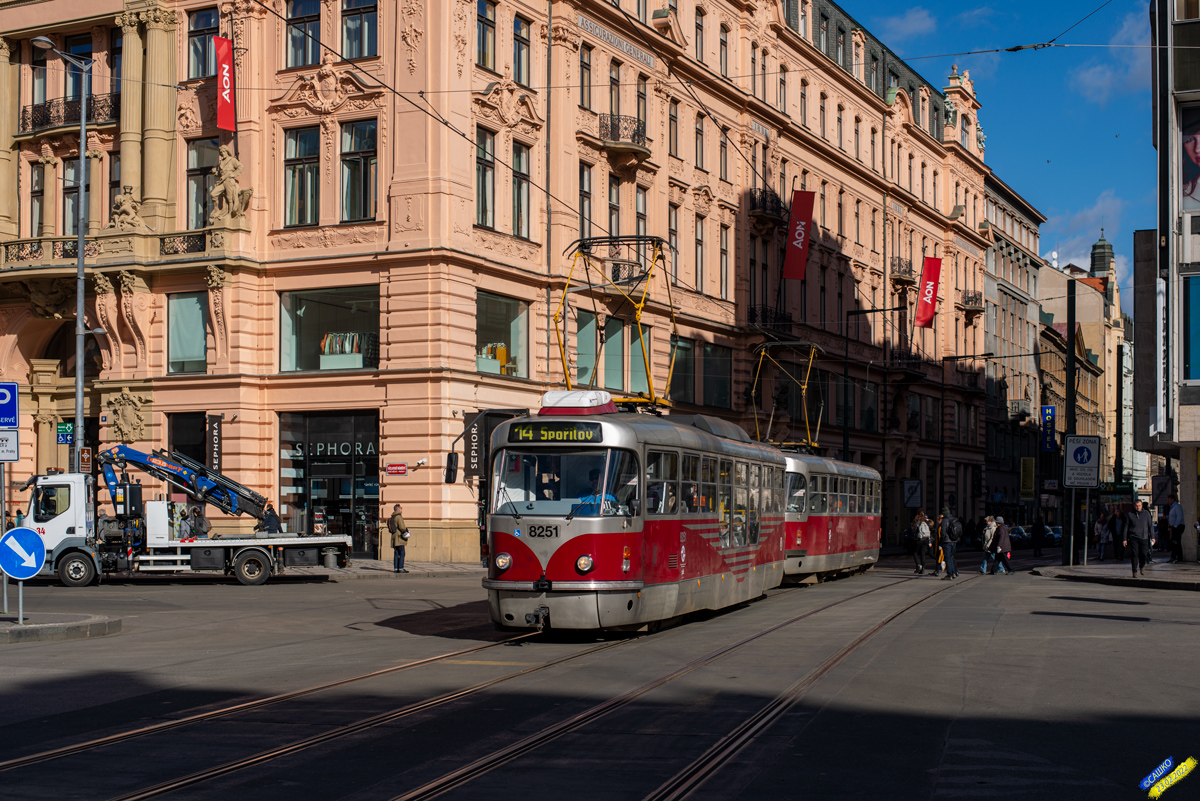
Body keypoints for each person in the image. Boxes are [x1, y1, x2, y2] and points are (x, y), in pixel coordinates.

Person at [1124, 499, 1155, 577]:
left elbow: (1150, 526)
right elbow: (1126, 527)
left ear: (1142, 506)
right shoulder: (1130, 514)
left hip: (1144, 537)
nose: (1138, 507)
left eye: (1139, 506)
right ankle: (1134, 571)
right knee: (1134, 554)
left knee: (1144, 554)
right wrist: (1124, 539)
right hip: (1133, 537)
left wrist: (1152, 537)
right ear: (1134, 506)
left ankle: (1142, 566)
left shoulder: (1146, 514)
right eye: (1136, 506)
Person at [939, 506, 962, 580]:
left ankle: (949, 574)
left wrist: (941, 542)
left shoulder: (945, 520)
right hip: (954, 541)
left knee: (947, 557)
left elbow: (943, 532)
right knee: (951, 557)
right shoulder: (954, 519)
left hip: (947, 541)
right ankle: (953, 572)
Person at [388, 504, 409, 573]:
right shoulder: (398, 517)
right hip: (399, 537)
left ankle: (396, 568)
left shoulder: (393, 516)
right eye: (401, 509)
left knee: (396, 553)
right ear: (399, 509)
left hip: (394, 537)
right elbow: (402, 527)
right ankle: (400, 568)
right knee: (402, 552)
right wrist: (406, 531)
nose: (401, 510)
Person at [1167, 494, 1185, 563]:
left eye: (1168, 500)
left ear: (1172, 500)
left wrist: (1175, 526)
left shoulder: (1177, 507)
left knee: (1176, 542)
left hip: (1178, 526)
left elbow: (1179, 517)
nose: (1167, 501)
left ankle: (1178, 557)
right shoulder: (1172, 507)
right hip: (1174, 527)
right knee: (1174, 542)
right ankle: (1174, 557)